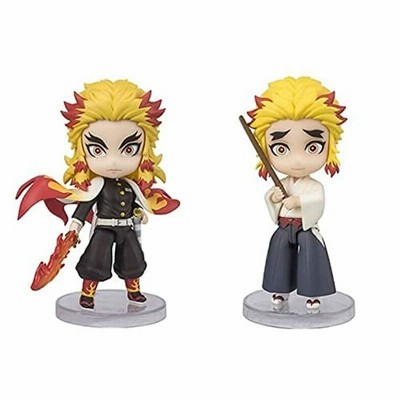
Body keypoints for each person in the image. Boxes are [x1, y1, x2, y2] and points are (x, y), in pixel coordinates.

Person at [17, 79, 179, 309]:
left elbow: (132, 202)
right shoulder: (96, 185)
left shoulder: (130, 186)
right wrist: (75, 227)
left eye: (129, 149)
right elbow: (84, 206)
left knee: (132, 259)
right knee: (96, 260)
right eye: (97, 150)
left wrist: (138, 212)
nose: (113, 162)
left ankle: (133, 290)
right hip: (103, 227)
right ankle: (88, 293)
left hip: (126, 227)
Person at [247, 76, 346, 309]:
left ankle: (313, 293)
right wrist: (274, 198)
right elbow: (271, 198)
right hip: (285, 226)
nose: (298, 160)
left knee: (312, 256)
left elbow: (317, 200)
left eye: (312, 147)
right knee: (279, 254)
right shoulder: (282, 183)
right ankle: (280, 290)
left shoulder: (313, 186)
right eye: (281, 149)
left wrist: (298, 201)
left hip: (305, 227)